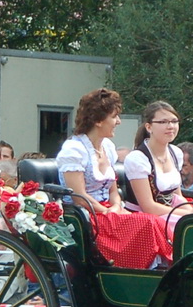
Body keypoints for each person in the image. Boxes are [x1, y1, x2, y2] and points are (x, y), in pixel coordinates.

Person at [57, 89, 171, 268]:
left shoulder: (108, 147)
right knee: (149, 222)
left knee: (158, 222)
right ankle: (143, 270)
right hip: (89, 215)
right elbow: (79, 197)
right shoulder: (74, 150)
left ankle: (155, 270)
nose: (118, 121)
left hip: (110, 211)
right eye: (114, 116)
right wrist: (107, 211)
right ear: (98, 120)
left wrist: (116, 207)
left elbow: (113, 190)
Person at [124, 101, 193, 227]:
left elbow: (177, 195)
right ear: (149, 127)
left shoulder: (176, 153)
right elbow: (148, 207)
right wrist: (188, 214)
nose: (170, 126)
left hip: (170, 213)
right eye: (163, 122)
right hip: (145, 220)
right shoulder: (137, 158)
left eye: (174, 121)